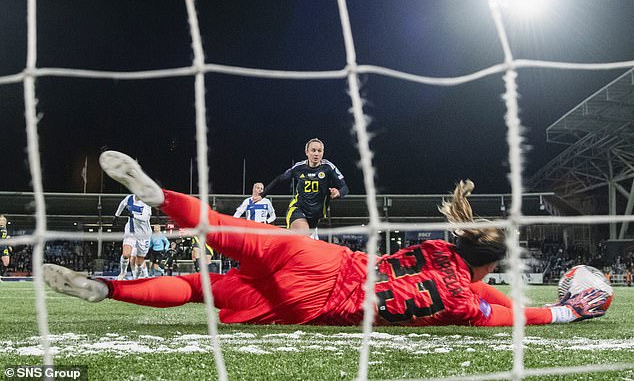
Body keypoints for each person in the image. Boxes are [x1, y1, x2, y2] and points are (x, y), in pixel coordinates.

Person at [42, 151, 609, 327]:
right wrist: (562, 315)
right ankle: (102, 288)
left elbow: (493, 291)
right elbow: (501, 310)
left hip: (321, 255)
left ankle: (160, 198)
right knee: (198, 288)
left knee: (217, 229)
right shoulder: (464, 298)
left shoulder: (440, 247)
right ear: (485, 270)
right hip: (317, 302)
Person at [253, 138, 348, 238]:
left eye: (319, 151)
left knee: (302, 243)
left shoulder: (329, 168)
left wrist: (338, 193)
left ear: (323, 153)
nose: (316, 154)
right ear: (307, 152)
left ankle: (284, 240)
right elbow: (279, 179)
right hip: (298, 208)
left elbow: (345, 188)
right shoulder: (299, 168)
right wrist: (262, 195)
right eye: (313, 150)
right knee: (303, 237)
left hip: (315, 215)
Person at [114, 193, 152, 280]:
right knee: (125, 254)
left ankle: (136, 278)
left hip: (144, 234)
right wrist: (116, 215)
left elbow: (145, 217)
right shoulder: (129, 198)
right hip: (131, 231)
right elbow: (122, 204)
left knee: (139, 262)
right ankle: (123, 272)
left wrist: (133, 215)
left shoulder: (146, 202)